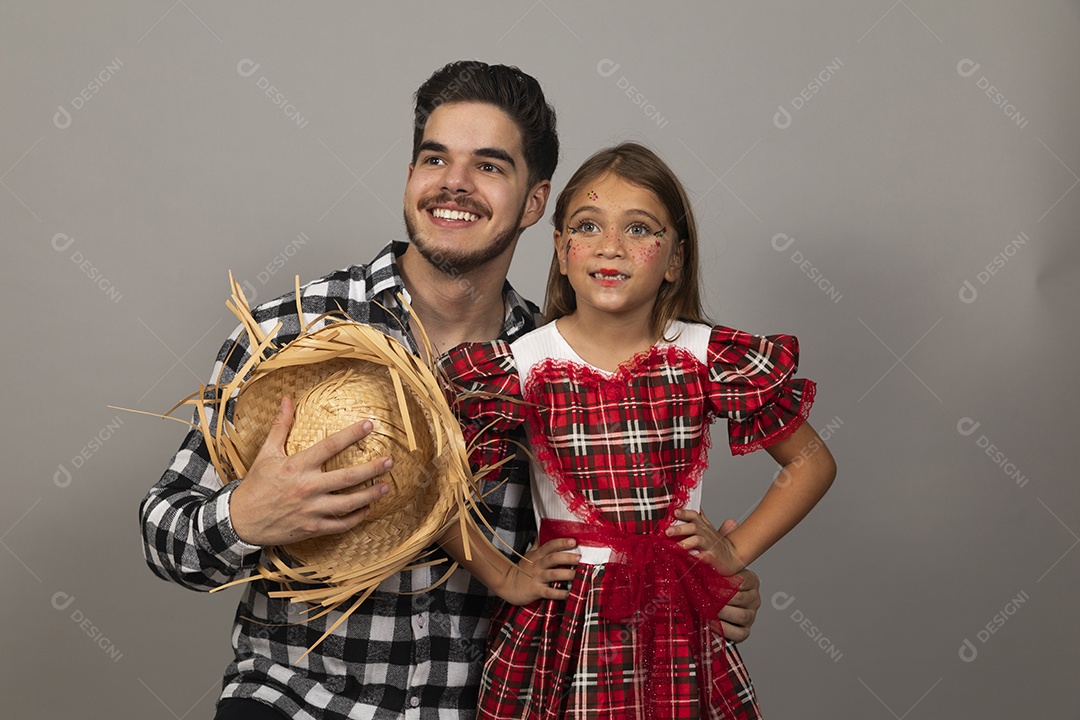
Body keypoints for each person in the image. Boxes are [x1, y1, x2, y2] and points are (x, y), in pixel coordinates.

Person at [139, 62, 762, 720]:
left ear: (533, 202)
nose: (453, 184)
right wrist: (243, 516)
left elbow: (607, 551)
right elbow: (164, 538)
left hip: (478, 708)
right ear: (411, 177)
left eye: (489, 165)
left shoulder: (553, 369)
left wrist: (701, 585)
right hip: (293, 698)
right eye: (434, 158)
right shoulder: (294, 331)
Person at [437, 143, 836, 719]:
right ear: (561, 250)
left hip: (674, 619)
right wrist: (504, 574)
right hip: (561, 623)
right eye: (588, 225)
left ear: (674, 257)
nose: (611, 247)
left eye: (640, 229)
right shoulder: (519, 367)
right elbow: (432, 484)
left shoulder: (706, 358)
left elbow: (812, 462)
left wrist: (734, 551)